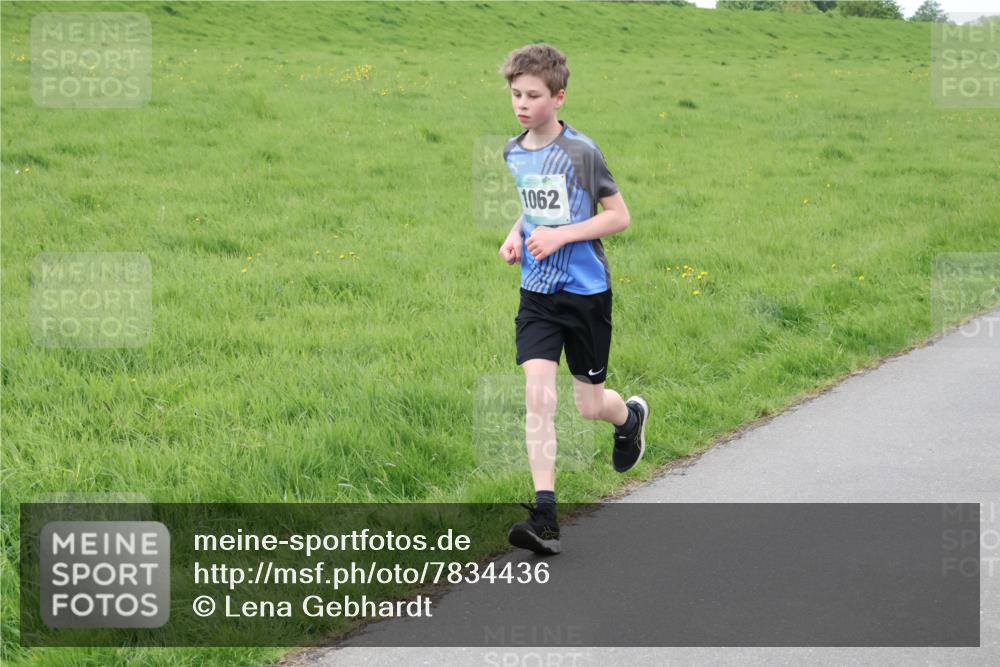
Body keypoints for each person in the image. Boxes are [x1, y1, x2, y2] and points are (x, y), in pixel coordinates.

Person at [497, 43, 649, 556]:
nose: (522, 104)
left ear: (558, 97)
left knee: (589, 406)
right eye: (516, 94)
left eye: (533, 95)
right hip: (537, 294)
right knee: (538, 397)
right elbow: (533, 206)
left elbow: (619, 217)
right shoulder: (514, 151)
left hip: (585, 294)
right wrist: (516, 234)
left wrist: (561, 236)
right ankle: (545, 516)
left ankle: (628, 419)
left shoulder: (582, 152)